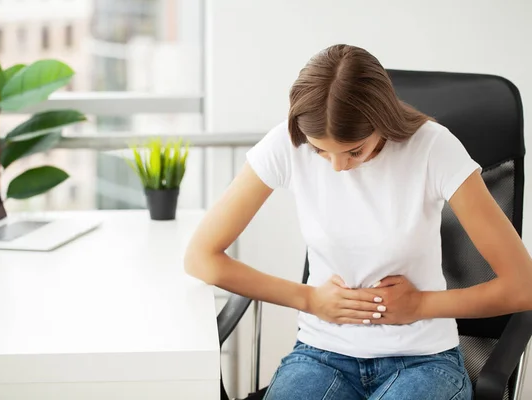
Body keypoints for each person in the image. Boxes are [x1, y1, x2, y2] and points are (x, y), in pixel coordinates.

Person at [184, 44, 532, 399]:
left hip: (423, 360)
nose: (338, 167)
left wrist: (421, 305)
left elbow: (523, 285)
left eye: (354, 151)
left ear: (383, 122)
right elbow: (201, 257)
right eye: (321, 151)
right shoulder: (288, 145)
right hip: (321, 356)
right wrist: (310, 299)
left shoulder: (433, 148)